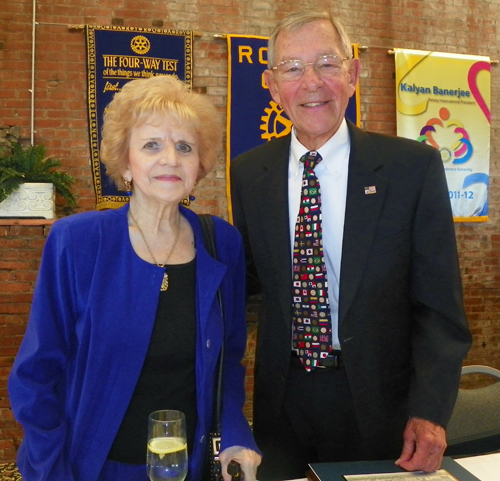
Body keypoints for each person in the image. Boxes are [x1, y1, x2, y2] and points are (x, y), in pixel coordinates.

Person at [230, 10, 471, 481]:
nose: (312, 82)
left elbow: (440, 309)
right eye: (293, 68)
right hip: (283, 401)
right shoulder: (250, 173)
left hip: (382, 406)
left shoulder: (411, 169)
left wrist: (430, 411)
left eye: (326, 63)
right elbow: (253, 278)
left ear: (353, 74)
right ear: (272, 86)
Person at [8, 75, 261, 481]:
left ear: (199, 165)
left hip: (188, 470)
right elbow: (36, 375)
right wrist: (50, 469)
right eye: (151, 145)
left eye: (184, 147)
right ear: (126, 163)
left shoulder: (221, 244)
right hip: (87, 468)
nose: (170, 159)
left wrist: (234, 436)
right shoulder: (77, 242)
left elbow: (227, 364)